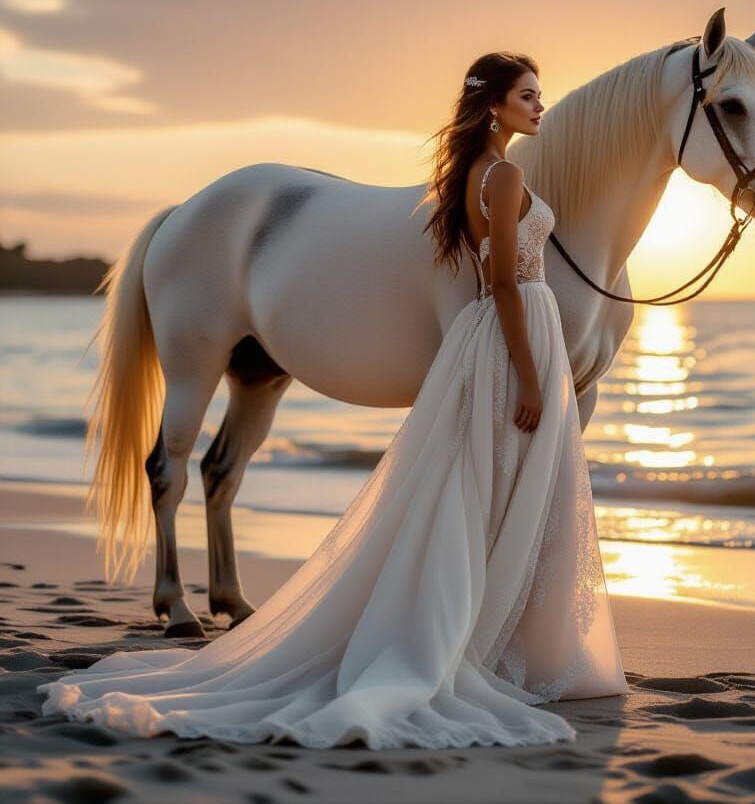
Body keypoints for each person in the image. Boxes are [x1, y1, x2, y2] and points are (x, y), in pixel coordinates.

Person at [36, 52, 628, 750]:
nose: (540, 107)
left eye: (539, 95)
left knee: (473, 491)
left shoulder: (476, 173)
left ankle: (479, 634)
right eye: (528, 96)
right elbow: (500, 282)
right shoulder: (501, 175)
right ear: (495, 106)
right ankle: (485, 639)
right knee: (486, 491)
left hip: (505, 334)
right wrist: (529, 375)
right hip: (508, 336)